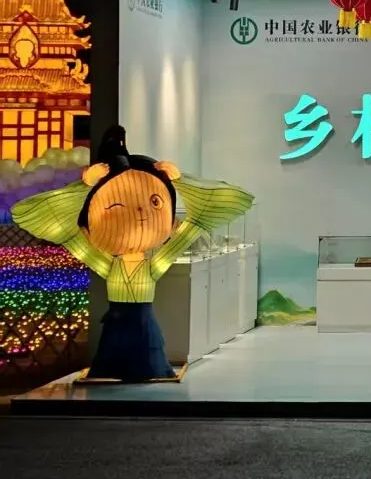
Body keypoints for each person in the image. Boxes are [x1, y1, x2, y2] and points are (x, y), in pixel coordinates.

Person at [11, 129, 254, 381]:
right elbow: (71, 236)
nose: (139, 212)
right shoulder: (113, 265)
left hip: (142, 320)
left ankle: (147, 369)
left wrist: (181, 181)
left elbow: (192, 227)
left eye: (155, 203)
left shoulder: (148, 266)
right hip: (116, 322)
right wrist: (85, 186)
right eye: (117, 206)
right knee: (115, 353)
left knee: (146, 350)